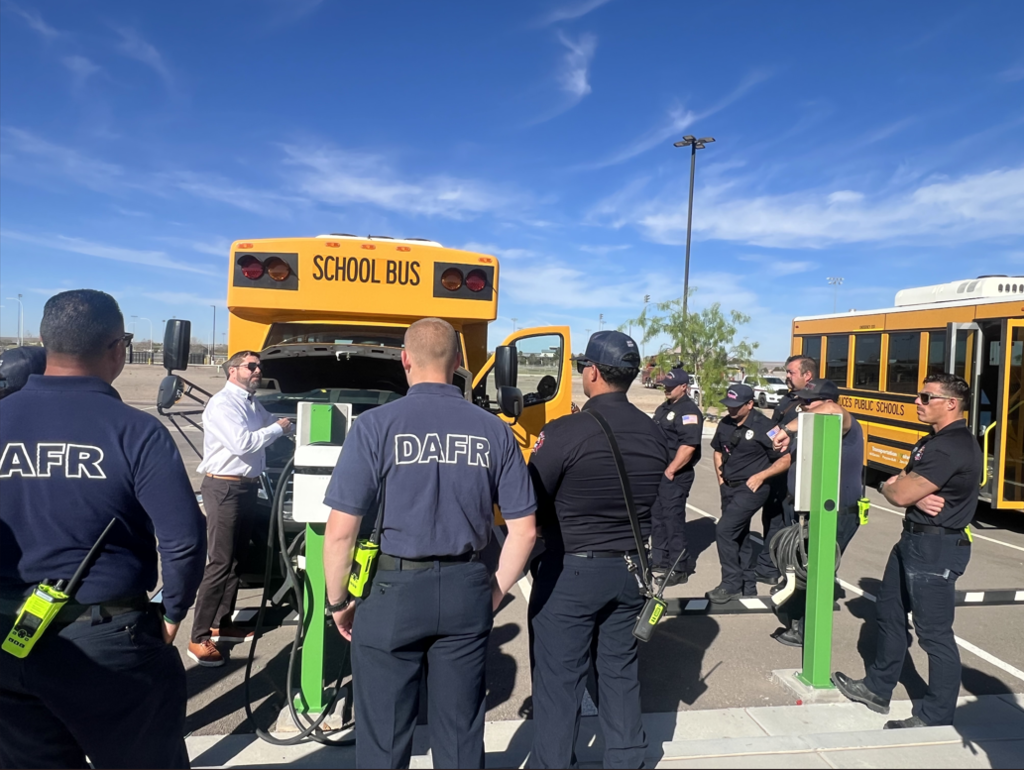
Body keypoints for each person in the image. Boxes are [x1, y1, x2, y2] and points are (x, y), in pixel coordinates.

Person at [0, 289, 206, 769]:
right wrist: (172, 612)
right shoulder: (135, 430)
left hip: (8, 638)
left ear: (45, 341)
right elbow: (184, 538)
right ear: (118, 348)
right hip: (108, 638)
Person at [322, 318, 537, 769]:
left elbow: (341, 530)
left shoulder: (375, 426)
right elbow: (524, 530)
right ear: (458, 363)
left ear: (405, 359)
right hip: (466, 587)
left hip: (392, 591)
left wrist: (338, 600)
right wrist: (493, 593)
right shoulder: (493, 429)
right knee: (460, 738)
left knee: (383, 739)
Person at [527, 331, 667, 768]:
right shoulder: (653, 433)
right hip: (629, 569)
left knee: (558, 683)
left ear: (591, 373)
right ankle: (627, 759)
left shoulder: (565, 432)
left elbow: (529, 502)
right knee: (620, 673)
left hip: (571, 570)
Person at [833, 373, 981, 729]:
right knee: (888, 613)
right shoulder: (931, 442)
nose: (917, 401)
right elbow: (895, 483)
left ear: (951, 404)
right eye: (919, 396)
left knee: (934, 634)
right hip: (913, 540)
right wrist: (892, 484)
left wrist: (899, 488)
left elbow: (900, 494)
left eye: (926, 397)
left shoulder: (952, 446)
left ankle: (936, 715)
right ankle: (877, 688)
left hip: (936, 547)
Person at [189, 349, 294, 667]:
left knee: (236, 560)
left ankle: (224, 622)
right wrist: (279, 428)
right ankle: (198, 637)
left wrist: (288, 427)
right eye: (251, 366)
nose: (258, 370)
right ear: (232, 370)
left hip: (247, 487)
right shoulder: (223, 404)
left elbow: (271, 423)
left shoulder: (250, 402)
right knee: (220, 562)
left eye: (259, 366)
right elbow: (244, 443)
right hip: (224, 488)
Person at [769, 378, 864, 646]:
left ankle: (808, 633)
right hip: (809, 510)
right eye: (801, 401)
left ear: (828, 399)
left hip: (837, 513)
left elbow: (832, 411)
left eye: (810, 401)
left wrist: (788, 427)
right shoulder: (811, 427)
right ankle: (800, 621)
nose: (804, 406)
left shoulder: (843, 423)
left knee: (817, 572)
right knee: (804, 567)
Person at [707, 383, 790, 604]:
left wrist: (762, 476)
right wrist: (720, 480)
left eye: (735, 406)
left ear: (750, 404)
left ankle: (730, 584)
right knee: (739, 535)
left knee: (724, 531)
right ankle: (747, 585)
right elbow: (717, 450)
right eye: (728, 405)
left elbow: (786, 458)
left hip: (752, 488)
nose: (731, 410)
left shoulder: (766, 426)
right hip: (729, 487)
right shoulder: (725, 424)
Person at [753, 355, 818, 585]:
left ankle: (772, 568)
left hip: (791, 470)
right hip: (776, 465)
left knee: (783, 522)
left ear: (807, 375)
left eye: (791, 372)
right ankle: (770, 564)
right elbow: (776, 426)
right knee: (770, 517)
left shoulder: (813, 403)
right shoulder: (790, 398)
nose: (787, 376)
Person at [650, 366, 703, 586]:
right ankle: (661, 561)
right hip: (660, 473)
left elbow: (689, 446)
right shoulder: (665, 407)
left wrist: (671, 470)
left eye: (671, 387)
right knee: (658, 518)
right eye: (665, 386)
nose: (667, 390)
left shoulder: (688, 411)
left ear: (684, 387)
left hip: (675, 474)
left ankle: (679, 567)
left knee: (673, 521)